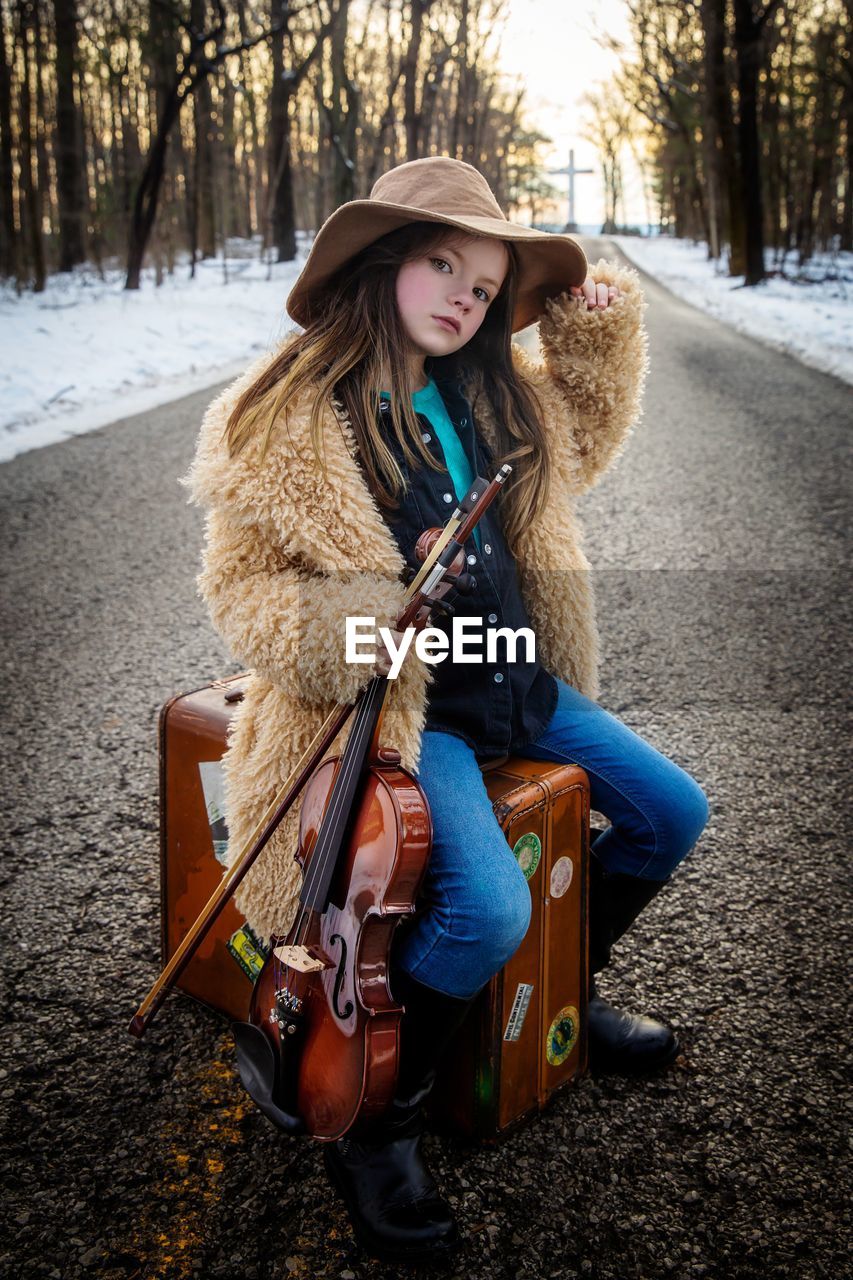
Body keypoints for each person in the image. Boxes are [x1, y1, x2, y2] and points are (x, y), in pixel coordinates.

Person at [180, 156, 709, 1264]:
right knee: (485, 907)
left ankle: (562, 986)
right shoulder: (288, 412)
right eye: (441, 262)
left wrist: (596, 333)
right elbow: (243, 592)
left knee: (671, 812)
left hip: (517, 671)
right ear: (381, 265)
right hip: (415, 714)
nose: (464, 295)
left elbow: (589, 442)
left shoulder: (488, 388)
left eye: (484, 281)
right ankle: (378, 1121)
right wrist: (378, 612)